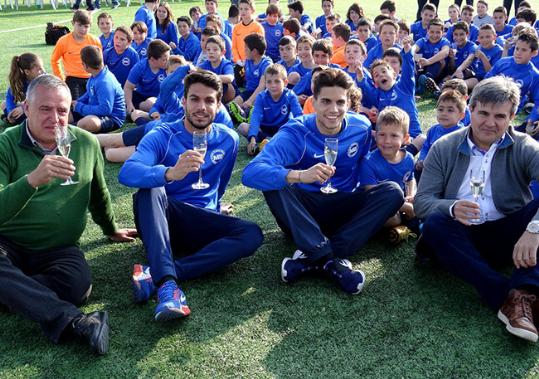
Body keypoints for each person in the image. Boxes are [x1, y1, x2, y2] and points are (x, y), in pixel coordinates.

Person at [0, 74, 137, 355]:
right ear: (26, 108)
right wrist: (32, 181)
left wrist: (110, 228)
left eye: (62, 110)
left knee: (78, 287)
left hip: (58, 249)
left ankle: (13, 291)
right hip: (9, 245)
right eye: (45, 109)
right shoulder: (6, 145)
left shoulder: (85, 143)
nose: (55, 118)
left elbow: (98, 193)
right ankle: (76, 322)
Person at [242, 68, 404, 294]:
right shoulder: (296, 131)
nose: (333, 109)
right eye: (326, 101)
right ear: (314, 101)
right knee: (273, 183)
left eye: (340, 102)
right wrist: (299, 175)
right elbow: (250, 172)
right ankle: (331, 260)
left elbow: (367, 163)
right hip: (304, 211)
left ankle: (318, 257)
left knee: (393, 191)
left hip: (343, 206)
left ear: (349, 103)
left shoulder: (362, 127)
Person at [118, 70, 263, 321]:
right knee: (150, 189)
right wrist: (170, 173)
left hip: (201, 224)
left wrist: (216, 208)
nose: (201, 107)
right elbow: (128, 172)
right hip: (164, 222)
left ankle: (157, 273)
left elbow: (221, 182)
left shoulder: (228, 139)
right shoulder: (162, 134)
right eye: (194, 99)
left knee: (252, 233)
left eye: (209, 101)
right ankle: (168, 288)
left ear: (219, 106)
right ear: (183, 101)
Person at [415, 75, 539, 343]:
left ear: (511, 116)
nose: (490, 123)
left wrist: (533, 229)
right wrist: (451, 207)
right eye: (483, 113)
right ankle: (512, 297)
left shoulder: (524, 146)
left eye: (500, 116)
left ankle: (521, 292)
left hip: (507, 233)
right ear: (470, 108)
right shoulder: (444, 146)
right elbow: (422, 202)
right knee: (436, 223)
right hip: (461, 235)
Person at [237, 63, 302, 155]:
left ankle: (271, 143)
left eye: (277, 81)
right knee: (242, 127)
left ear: (285, 83)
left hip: (282, 129)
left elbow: (299, 115)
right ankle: (266, 142)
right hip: (264, 130)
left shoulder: (290, 95)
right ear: (265, 83)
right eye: (269, 82)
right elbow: (256, 117)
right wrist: (252, 138)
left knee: (293, 129)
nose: (273, 85)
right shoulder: (261, 96)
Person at [72, 46, 126, 133]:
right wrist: (77, 102)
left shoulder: (105, 82)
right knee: (68, 113)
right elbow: (89, 93)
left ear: (85, 65)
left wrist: (81, 107)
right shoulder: (95, 75)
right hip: (95, 111)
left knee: (88, 122)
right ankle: (69, 126)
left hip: (112, 118)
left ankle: (72, 129)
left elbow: (105, 109)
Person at [50, 10, 101, 100]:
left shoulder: (94, 40)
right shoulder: (63, 41)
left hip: (92, 77)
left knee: (95, 102)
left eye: (86, 26)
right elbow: (54, 60)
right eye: (79, 25)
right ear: (73, 23)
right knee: (75, 105)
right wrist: (61, 78)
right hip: (72, 79)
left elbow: (100, 62)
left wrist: (100, 78)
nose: (82, 29)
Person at [3, 53, 45, 126]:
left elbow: (43, 99)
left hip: (39, 108)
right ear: (27, 72)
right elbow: (9, 97)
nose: (43, 71)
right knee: (4, 104)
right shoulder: (19, 81)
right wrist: (11, 111)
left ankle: (17, 121)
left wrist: (23, 107)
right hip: (27, 109)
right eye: (39, 69)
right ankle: (13, 119)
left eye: (42, 68)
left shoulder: (44, 79)